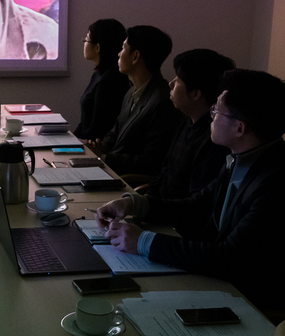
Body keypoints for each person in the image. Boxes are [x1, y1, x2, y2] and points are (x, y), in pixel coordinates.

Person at [97, 69, 285, 314]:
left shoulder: (274, 181)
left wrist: (143, 241)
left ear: (239, 128)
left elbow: (230, 259)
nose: (211, 116)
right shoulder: (243, 158)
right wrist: (135, 204)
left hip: (251, 303)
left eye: (216, 111)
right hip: (217, 282)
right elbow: (196, 205)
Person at [83, 25, 183, 177]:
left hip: (125, 181)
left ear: (135, 56)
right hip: (110, 171)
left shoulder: (162, 101)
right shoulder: (131, 92)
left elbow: (150, 162)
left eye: (123, 49)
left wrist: (104, 157)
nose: (118, 54)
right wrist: (101, 146)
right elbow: (114, 134)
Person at [144, 49, 236, 200]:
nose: (170, 84)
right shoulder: (188, 121)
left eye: (178, 80)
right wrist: (145, 200)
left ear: (195, 93)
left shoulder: (216, 139)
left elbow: (195, 203)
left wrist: (148, 208)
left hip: (174, 217)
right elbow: (164, 172)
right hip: (159, 209)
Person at [73, 19, 130, 140]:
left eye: (86, 40)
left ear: (97, 47)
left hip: (94, 147)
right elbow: (85, 122)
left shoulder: (110, 80)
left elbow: (98, 128)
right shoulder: (99, 74)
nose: (84, 43)